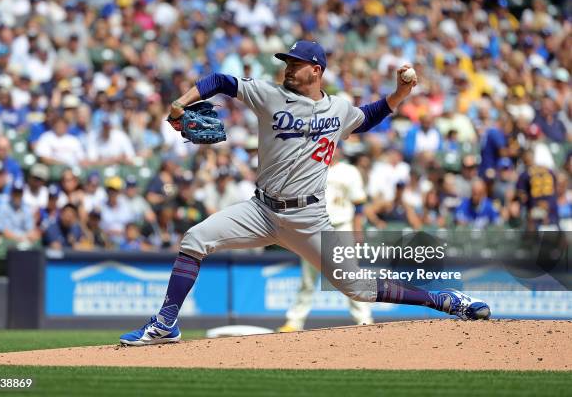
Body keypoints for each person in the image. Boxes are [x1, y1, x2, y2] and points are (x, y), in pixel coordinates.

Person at [120, 40, 490, 347]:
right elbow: (220, 79)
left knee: (357, 288)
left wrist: (399, 94)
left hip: (309, 219)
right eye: (287, 62)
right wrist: (181, 103)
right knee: (195, 238)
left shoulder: (337, 109)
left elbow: (368, 116)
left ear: (316, 70)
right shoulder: (268, 95)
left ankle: (444, 300)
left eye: (295, 63)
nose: (287, 68)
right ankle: (166, 323)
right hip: (260, 210)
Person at [278, 150, 373, 332]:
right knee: (308, 278)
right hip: (313, 227)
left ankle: (364, 319)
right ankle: (294, 322)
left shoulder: (349, 171)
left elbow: (359, 204)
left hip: (341, 226)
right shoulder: (309, 168)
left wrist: (358, 230)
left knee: (350, 275)